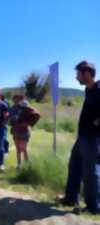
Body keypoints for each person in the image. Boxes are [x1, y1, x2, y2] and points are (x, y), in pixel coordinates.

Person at [58, 61, 100, 214]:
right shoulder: (89, 91)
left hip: (93, 138)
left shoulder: (99, 89)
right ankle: (70, 198)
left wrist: (96, 123)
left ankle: (94, 207)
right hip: (83, 136)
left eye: (78, 74)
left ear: (87, 74)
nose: (76, 78)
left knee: (90, 172)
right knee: (74, 166)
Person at [9, 94, 40, 169]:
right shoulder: (13, 108)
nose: (15, 100)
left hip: (24, 131)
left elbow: (37, 115)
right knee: (18, 149)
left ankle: (27, 166)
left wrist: (28, 123)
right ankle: (19, 165)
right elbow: (11, 117)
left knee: (23, 149)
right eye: (14, 98)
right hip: (16, 130)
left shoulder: (25, 106)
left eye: (17, 98)